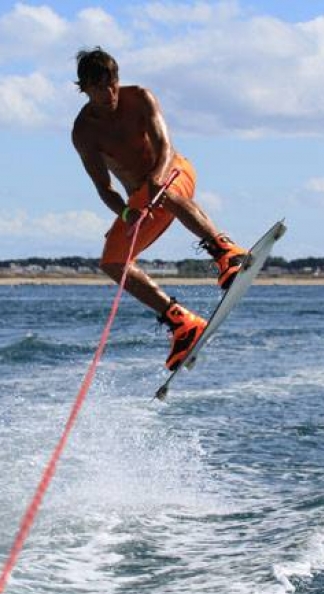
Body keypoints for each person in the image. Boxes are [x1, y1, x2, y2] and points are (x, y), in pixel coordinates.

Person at [71, 47, 248, 371]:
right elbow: (104, 189)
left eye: (112, 83)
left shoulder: (140, 98)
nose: (109, 93)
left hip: (174, 172)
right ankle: (182, 322)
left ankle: (226, 253)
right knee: (112, 261)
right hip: (142, 201)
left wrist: (155, 178)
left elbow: (165, 147)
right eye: (99, 88)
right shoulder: (84, 132)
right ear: (84, 89)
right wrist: (127, 214)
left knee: (160, 188)